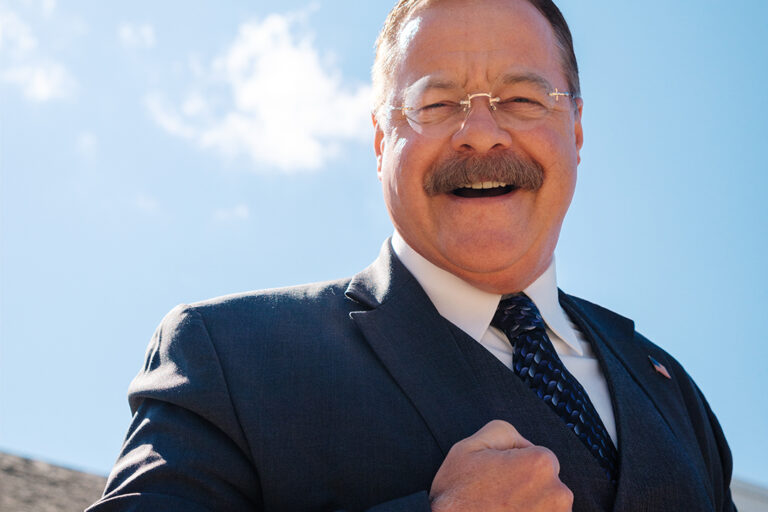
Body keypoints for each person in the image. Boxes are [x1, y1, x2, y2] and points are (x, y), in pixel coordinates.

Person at [88, 0, 736, 511]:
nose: (480, 134)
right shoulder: (227, 358)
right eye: (436, 102)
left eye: (521, 99)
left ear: (576, 129)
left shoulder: (673, 392)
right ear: (380, 141)